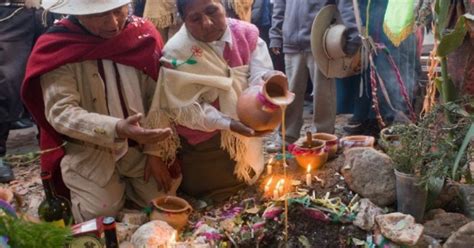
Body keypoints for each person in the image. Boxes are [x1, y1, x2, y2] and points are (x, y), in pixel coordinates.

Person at [21, 0, 180, 222]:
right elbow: (61, 112)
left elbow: (158, 98)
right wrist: (116, 128)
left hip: (140, 147)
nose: (113, 22)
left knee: (163, 200)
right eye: (99, 15)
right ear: (78, 15)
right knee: (98, 213)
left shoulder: (143, 35)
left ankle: (127, 189)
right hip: (90, 150)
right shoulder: (58, 46)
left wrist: (154, 152)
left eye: (118, 11)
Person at [145, 0, 280, 202]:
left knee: (250, 180)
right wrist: (228, 123)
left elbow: (258, 73)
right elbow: (186, 109)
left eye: (212, 11)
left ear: (223, 7)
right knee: (216, 193)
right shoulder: (177, 53)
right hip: (205, 140)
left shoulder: (246, 34)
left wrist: (267, 80)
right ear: (184, 21)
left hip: (243, 129)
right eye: (195, 18)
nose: (207, 23)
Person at [269, 0, 360, 146]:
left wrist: (353, 36)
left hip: (320, 43)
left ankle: (323, 138)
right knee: (290, 92)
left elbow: (345, 4)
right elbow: (279, 5)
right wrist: (275, 34)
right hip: (291, 42)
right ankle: (287, 136)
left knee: (323, 94)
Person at [337, 0, 421, 136]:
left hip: (392, 22)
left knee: (389, 71)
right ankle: (368, 118)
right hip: (368, 22)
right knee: (367, 73)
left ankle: (391, 119)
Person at [0, 0, 46, 183]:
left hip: (46, 10)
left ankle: (50, 142)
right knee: (6, 81)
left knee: (47, 73)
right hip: (9, 10)